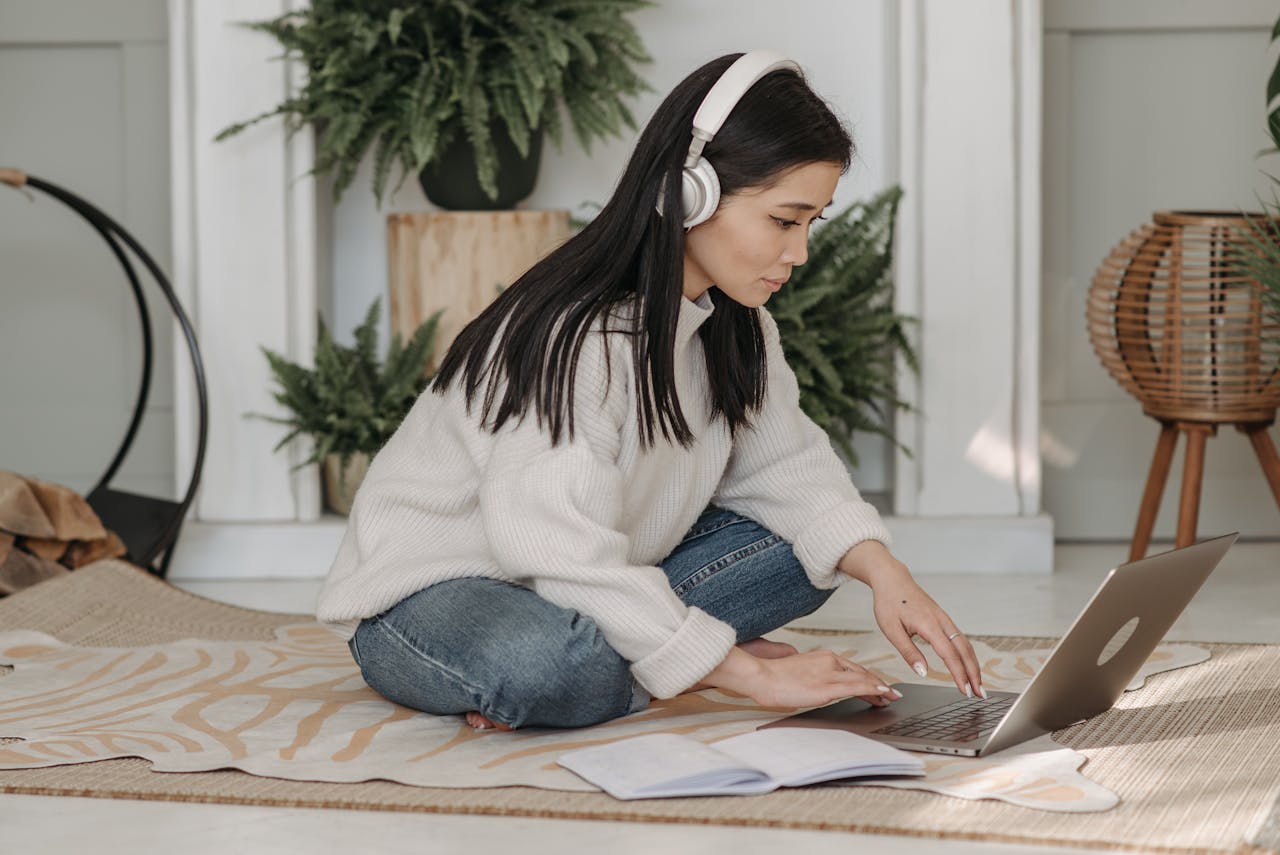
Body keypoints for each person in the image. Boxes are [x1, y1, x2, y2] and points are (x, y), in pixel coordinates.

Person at [317, 51, 985, 732]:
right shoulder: (576, 336)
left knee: (807, 552)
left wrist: (886, 570)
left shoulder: (741, 326)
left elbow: (790, 469)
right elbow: (551, 547)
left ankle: (638, 654)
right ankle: (623, 663)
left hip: (579, 579)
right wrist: (748, 673)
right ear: (689, 191)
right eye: (784, 221)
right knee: (553, 665)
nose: (800, 252)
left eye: (813, 223)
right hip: (434, 595)